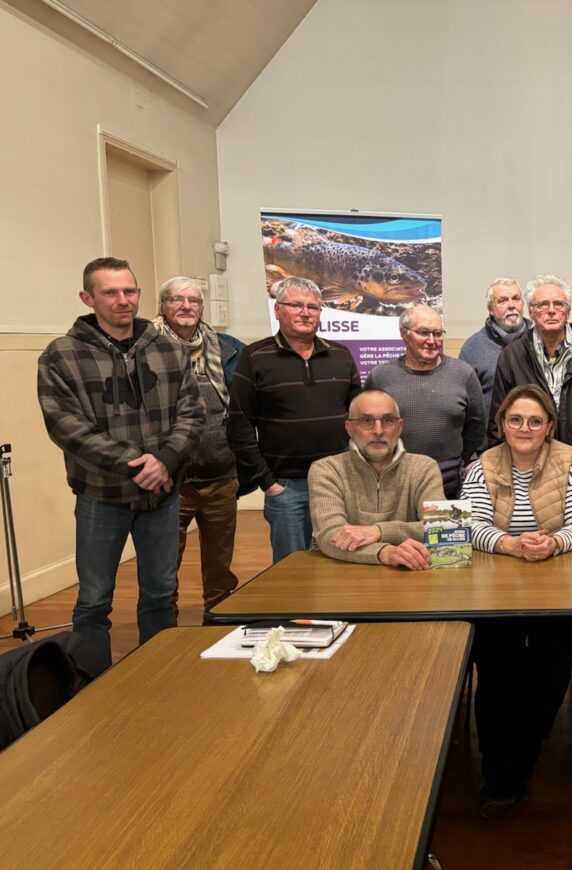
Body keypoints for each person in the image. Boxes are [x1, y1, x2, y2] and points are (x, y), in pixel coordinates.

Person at [37, 257, 204, 672]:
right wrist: (135, 464)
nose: (122, 300)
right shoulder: (62, 355)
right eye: (110, 292)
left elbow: (193, 413)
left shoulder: (169, 349)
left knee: (161, 593)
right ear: (87, 297)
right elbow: (66, 426)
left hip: (162, 496)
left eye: (129, 291)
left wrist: (165, 460)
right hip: (102, 496)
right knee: (93, 599)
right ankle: (91, 682)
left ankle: (157, 671)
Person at [461, 384, 572, 817]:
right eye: (516, 419)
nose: (525, 428)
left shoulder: (570, 460)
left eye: (535, 421)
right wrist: (510, 545)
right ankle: (502, 774)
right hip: (493, 586)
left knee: (548, 669)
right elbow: (470, 524)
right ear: (501, 424)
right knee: (498, 672)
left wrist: (554, 543)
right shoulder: (483, 464)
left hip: (557, 584)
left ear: (549, 427)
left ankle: (521, 752)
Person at [227, 277, 361, 563]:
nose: (305, 312)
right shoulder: (255, 357)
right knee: (292, 571)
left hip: (338, 484)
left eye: (313, 307)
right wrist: (268, 483)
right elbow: (239, 426)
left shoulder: (340, 355)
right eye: (296, 305)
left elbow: (358, 418)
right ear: (278, 310)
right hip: (287, 487)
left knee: (341, 563)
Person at [154, 276, 247, 619]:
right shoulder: (145, 347)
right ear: (162, 306)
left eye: (193, 300)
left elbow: (242, 408)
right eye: (177, 300)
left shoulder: (228, 348)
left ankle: (219, 621)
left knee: (221, 567)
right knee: (163, 567)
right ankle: (164, 627)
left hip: (220, 476)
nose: (186, 306)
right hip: (169, 481)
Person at [489, 274, 572, 480]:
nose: (551, 310)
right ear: (531, 312)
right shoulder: (512, 355)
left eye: (559, 304)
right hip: (527, 467)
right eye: (543, 304)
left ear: (568, 312)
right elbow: (499, 417)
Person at [307, 390, 444, 568]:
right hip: (342, 574)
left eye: (388, 420)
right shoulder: (327, 470)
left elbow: (440, 528)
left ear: (400, 427)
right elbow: (330, 536)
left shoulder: (424, 467)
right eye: (366, 421)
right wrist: (385, 552)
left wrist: (379, 531)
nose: (378, 431)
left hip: (409, 575)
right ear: (349, 428)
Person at [365, 304, 485, 497]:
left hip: (449, 483)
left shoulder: (463, 374)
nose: (432, 341)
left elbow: (477, 425)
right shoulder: (381, 377)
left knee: (444, 528)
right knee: (398, 528)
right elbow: (366, 428)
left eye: (437, 333)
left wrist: (459, 458)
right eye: (424, 332)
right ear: (404, 334)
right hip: (395, 484)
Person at [458, 277, 531, 415]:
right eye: (503, 301)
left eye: (516, 298)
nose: (511, 305)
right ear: (491, 309)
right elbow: (464, 404)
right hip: (490, 435)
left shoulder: (540, 341)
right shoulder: (472, 349)